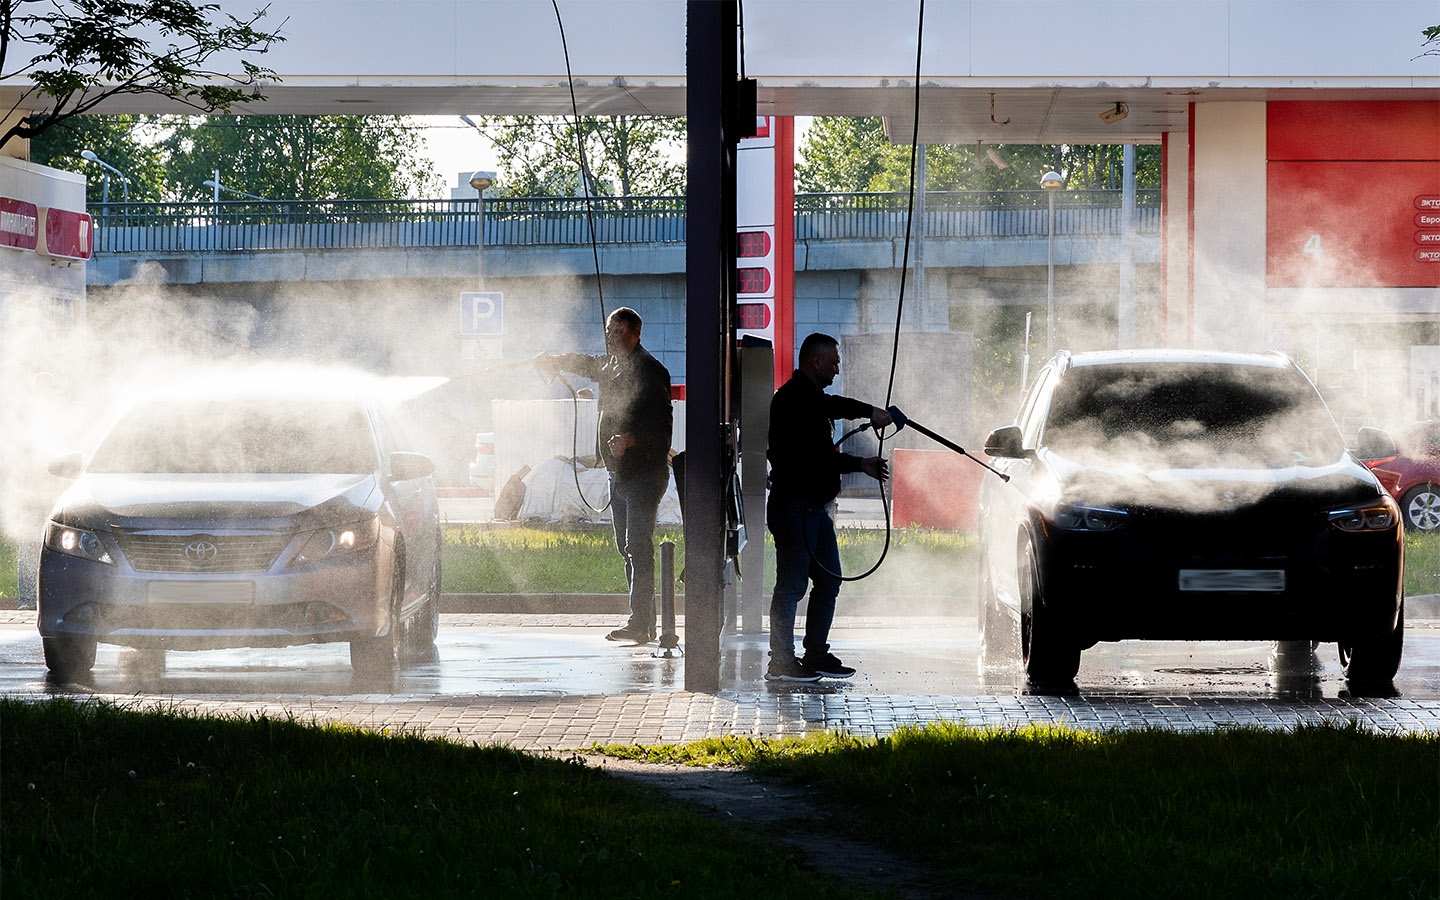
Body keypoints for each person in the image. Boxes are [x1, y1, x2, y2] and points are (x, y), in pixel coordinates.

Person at [539, 308, 673, 643]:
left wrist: (631, 440)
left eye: (619, 331)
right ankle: (641, 620)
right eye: (609, 331)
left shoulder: (649, 371)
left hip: (644, 474)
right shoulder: (611, 366)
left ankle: (641, 624)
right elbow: (587, 363)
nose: (612, 337)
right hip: (620, 475)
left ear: (636, 334)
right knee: (625, 548)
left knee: (637, 547)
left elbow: (661, 427)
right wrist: (556, 359)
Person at [765, 332, 891, 682]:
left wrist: (860, 464)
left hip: (814, 510)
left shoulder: (810, 399)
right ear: (816, 361)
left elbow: (820, 451)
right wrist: (869, 412)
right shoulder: (794, 398)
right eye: (833, 362)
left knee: (829, 581)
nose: (837, 369)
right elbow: (828, 417)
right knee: (791, 586)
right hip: (794, 508)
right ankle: (781, 663)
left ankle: (816, 654)